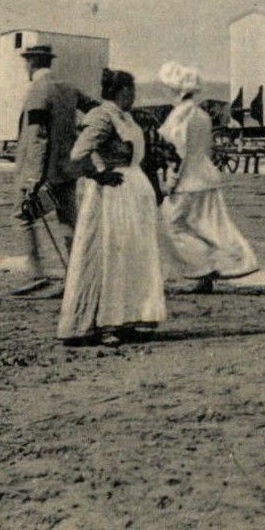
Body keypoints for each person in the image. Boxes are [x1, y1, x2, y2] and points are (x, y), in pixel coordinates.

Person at [57, 69, 167, 346]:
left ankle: (133, 318)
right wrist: (98, 173)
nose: (134, 96)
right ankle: (107, 324)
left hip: (131, 194)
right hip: (113, 196)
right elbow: (78, 153)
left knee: (132, 256)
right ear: (124, 91)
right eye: (132, 90)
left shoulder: (124, 116)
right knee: (112, 256)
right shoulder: (102, 116)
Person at [156, 61, 259, 294]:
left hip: (187, 182)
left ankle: (204, 266)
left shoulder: (179, 116)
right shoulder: (201, 115)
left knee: (171, 226)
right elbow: (206, 149)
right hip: (207, 178)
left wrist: (169, 184)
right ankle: (212, 270)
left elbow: (178, 153)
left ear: (176, 90)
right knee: (206, 226)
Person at [11, 43, 96, 297]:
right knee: (68, 220)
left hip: (44, 173)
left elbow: (38, 136)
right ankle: (76, 275)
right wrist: (83, 135)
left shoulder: (38, 91)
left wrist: (32, 178)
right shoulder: (68, 88)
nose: (26, 66)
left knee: (23, 216)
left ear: (33, 63)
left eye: (27, 62)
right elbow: (95, 108)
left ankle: (36, 275)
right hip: (68, 170)